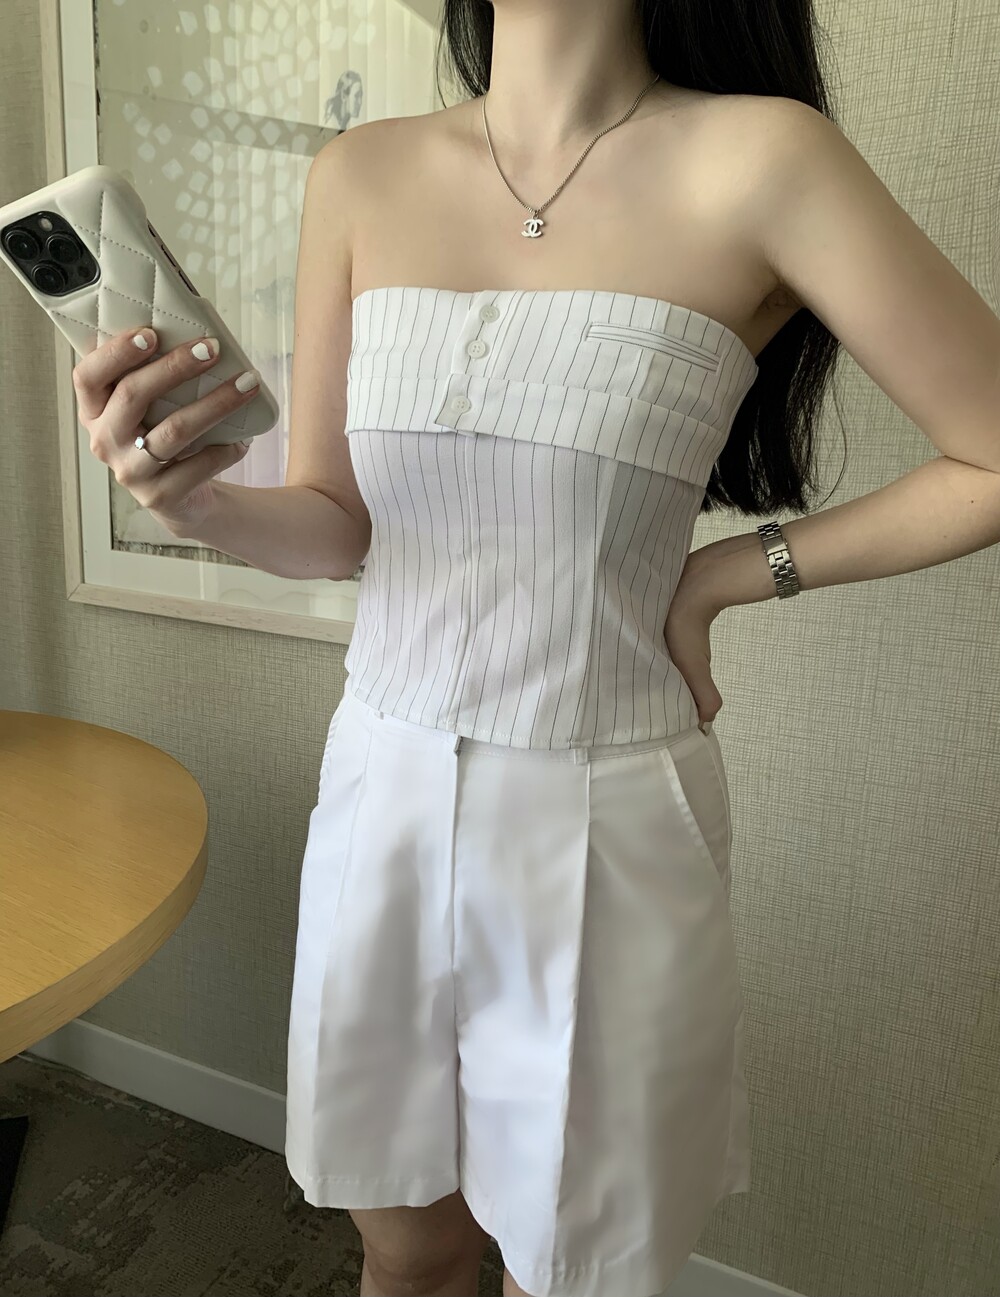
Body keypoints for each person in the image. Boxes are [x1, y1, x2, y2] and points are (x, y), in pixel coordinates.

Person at [73, 1, 1000, 1293]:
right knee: (405, 1252)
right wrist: (194, 502)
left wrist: (728, 573)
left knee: (578, 1268)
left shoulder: (767, 162)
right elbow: (337, 522)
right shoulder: (361, 173)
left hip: (608, 824)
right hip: (382, 801)